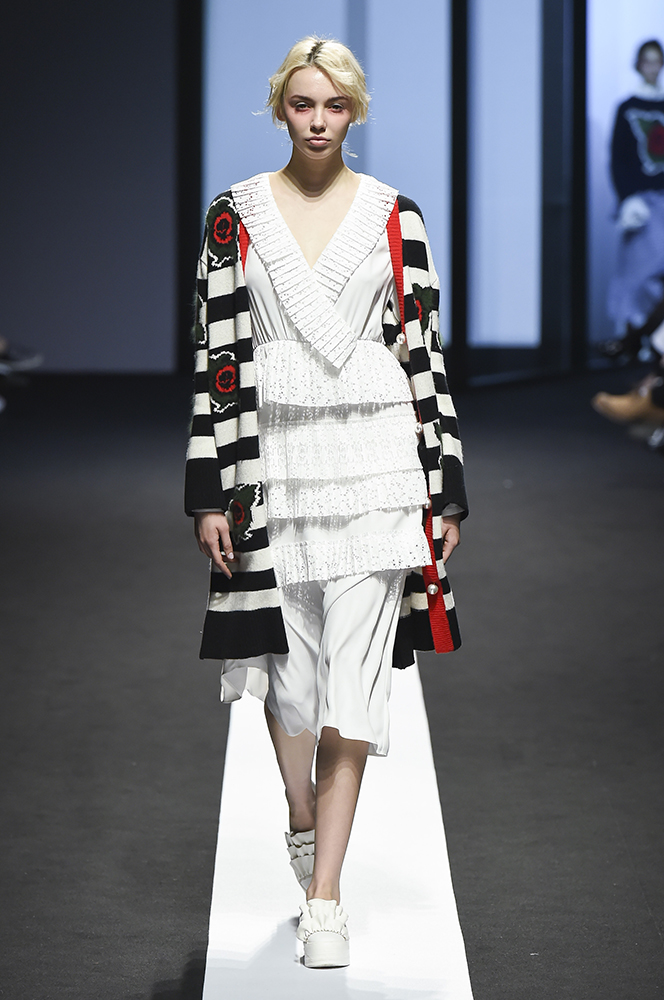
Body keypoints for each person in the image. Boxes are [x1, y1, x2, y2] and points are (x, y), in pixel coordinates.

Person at [184, 37, 468, 969]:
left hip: (378, 462)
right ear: (281, 108)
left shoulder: (396, 216)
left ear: (355, 111)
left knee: (356, 679)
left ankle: (325, 896)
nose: (317, 120)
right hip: (273, 463)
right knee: (289, 676)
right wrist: (208, 490)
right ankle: (300, 813)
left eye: (334, 105)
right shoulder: (233, 216)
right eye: (303, 103)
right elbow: (215, 360)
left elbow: (424, 352)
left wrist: (445, 485)